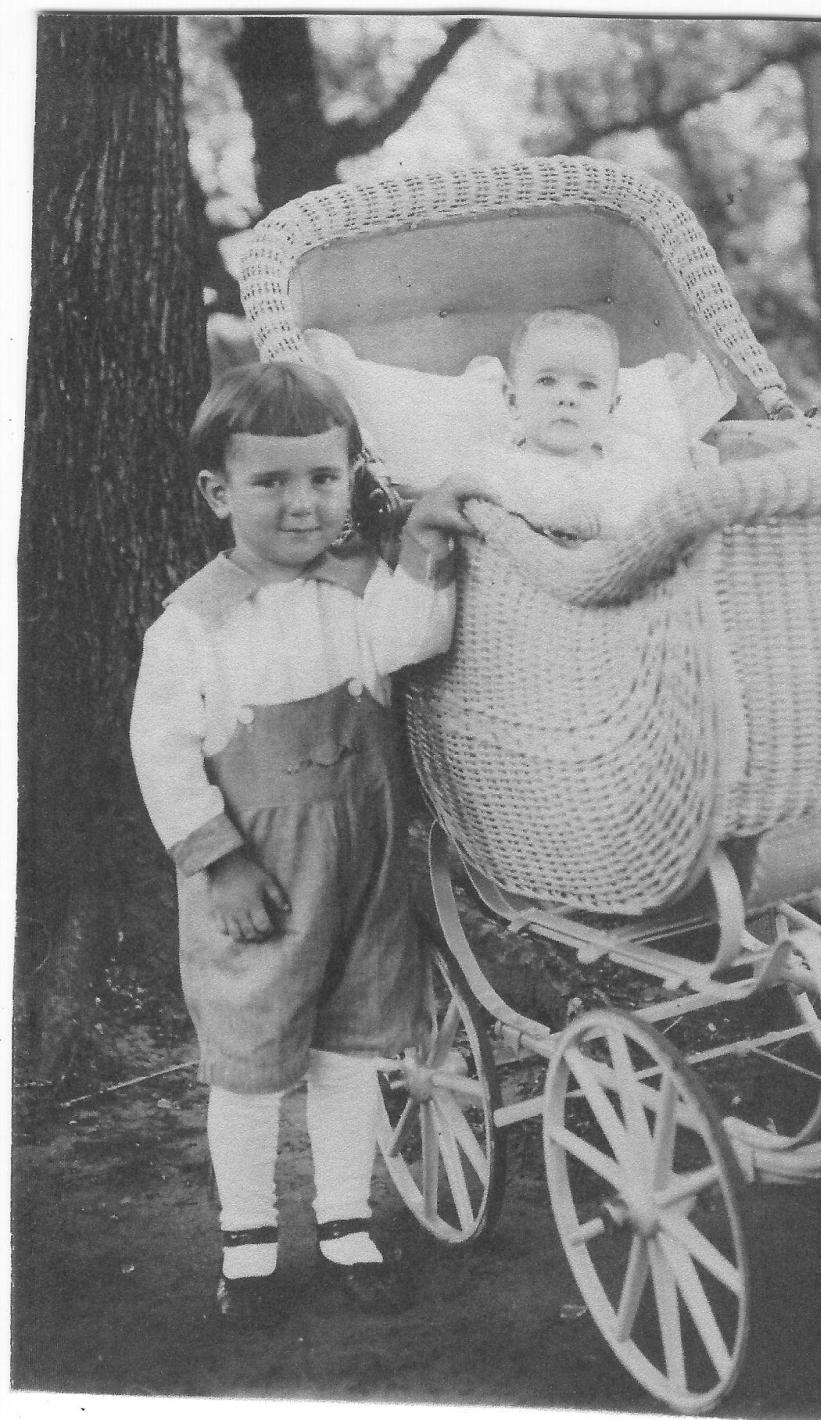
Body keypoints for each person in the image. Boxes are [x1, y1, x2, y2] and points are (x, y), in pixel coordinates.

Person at [130, 360, 488, 1329]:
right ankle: (246, 1238)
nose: (301, 505)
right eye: (271, 482)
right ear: (219, 493)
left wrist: (417, 552)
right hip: (261, 876)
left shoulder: (357, 587)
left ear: (350, 475)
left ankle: (344, 1221)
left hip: (365, 871)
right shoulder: (193, 626)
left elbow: (413, 639)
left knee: (353, 1047)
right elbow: (162, 750)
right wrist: (216, 857)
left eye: (323, 480)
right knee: (249, 1060)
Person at [460, 307, 693, 538]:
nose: (567, 398)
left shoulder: (630, 461)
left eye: (587, 385)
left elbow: (654, 522)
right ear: (513, 399)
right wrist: (543, 521)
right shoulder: (495, 462)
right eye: (547, 380)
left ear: (611, 406)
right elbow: (477, 515)